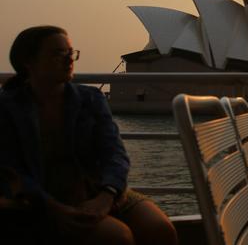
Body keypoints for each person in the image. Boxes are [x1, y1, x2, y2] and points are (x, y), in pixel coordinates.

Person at [0, 26, 177, 245]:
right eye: (58, 54)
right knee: (117, 237)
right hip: (43, 199)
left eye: (70, 53)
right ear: (29, 62)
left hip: (100, 188)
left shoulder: (90, 98)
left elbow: (115, 153)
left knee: (160, 229)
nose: (68, 60)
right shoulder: (8, 108)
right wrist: (53, 209)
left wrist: (107, 195)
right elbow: (11, 171)